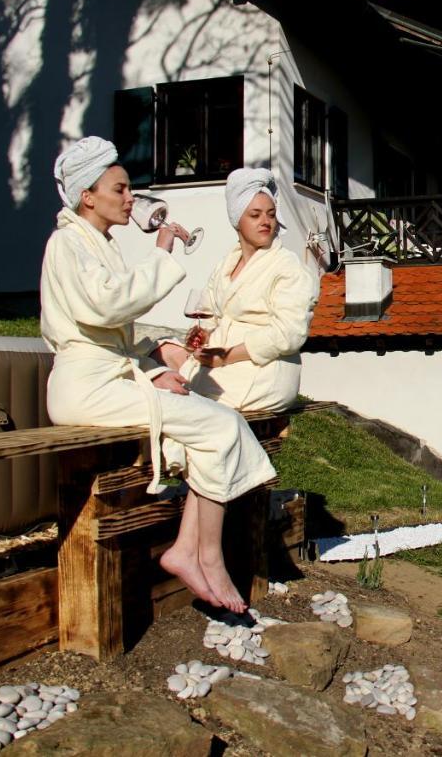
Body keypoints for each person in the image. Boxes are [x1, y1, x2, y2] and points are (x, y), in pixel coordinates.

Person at [40, 137, 272, 614]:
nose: (131, 199)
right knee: (220, 425)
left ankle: (193, 550)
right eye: (120, 189)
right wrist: (164, 254)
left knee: (212, 422)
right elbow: (105, 306)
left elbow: (113, 337)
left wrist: (150, 371)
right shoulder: (66, 243)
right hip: (84, 388)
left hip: (107, 379)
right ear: (89, 195)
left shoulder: (96, 244)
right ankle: (203, 553)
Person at [160, 168, 318, 411]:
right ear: (237, 220)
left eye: (271, 214)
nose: (265, 222)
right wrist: (204, 335)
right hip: (217, 362)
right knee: (157, 353)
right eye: (255, 215)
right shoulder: (227, 264)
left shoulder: (287, 266)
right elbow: (210, 314)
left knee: (172, 403)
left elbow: (289, 334)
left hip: (262, 372)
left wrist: (226, 356)